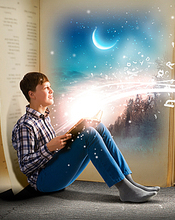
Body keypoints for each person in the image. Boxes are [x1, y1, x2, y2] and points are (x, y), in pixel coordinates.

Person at [12, 72, 159, 202]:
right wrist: (49, 148)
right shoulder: (26, 125)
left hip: (55, 171)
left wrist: (67, 137)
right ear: (32, 94)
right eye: (46, 88)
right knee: (89, 134)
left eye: (50, 87)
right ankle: (125, 189)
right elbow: (25, 166)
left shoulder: (44, 118)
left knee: (97, 127)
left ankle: (129, 182)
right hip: (43, 182)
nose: (52, 91)